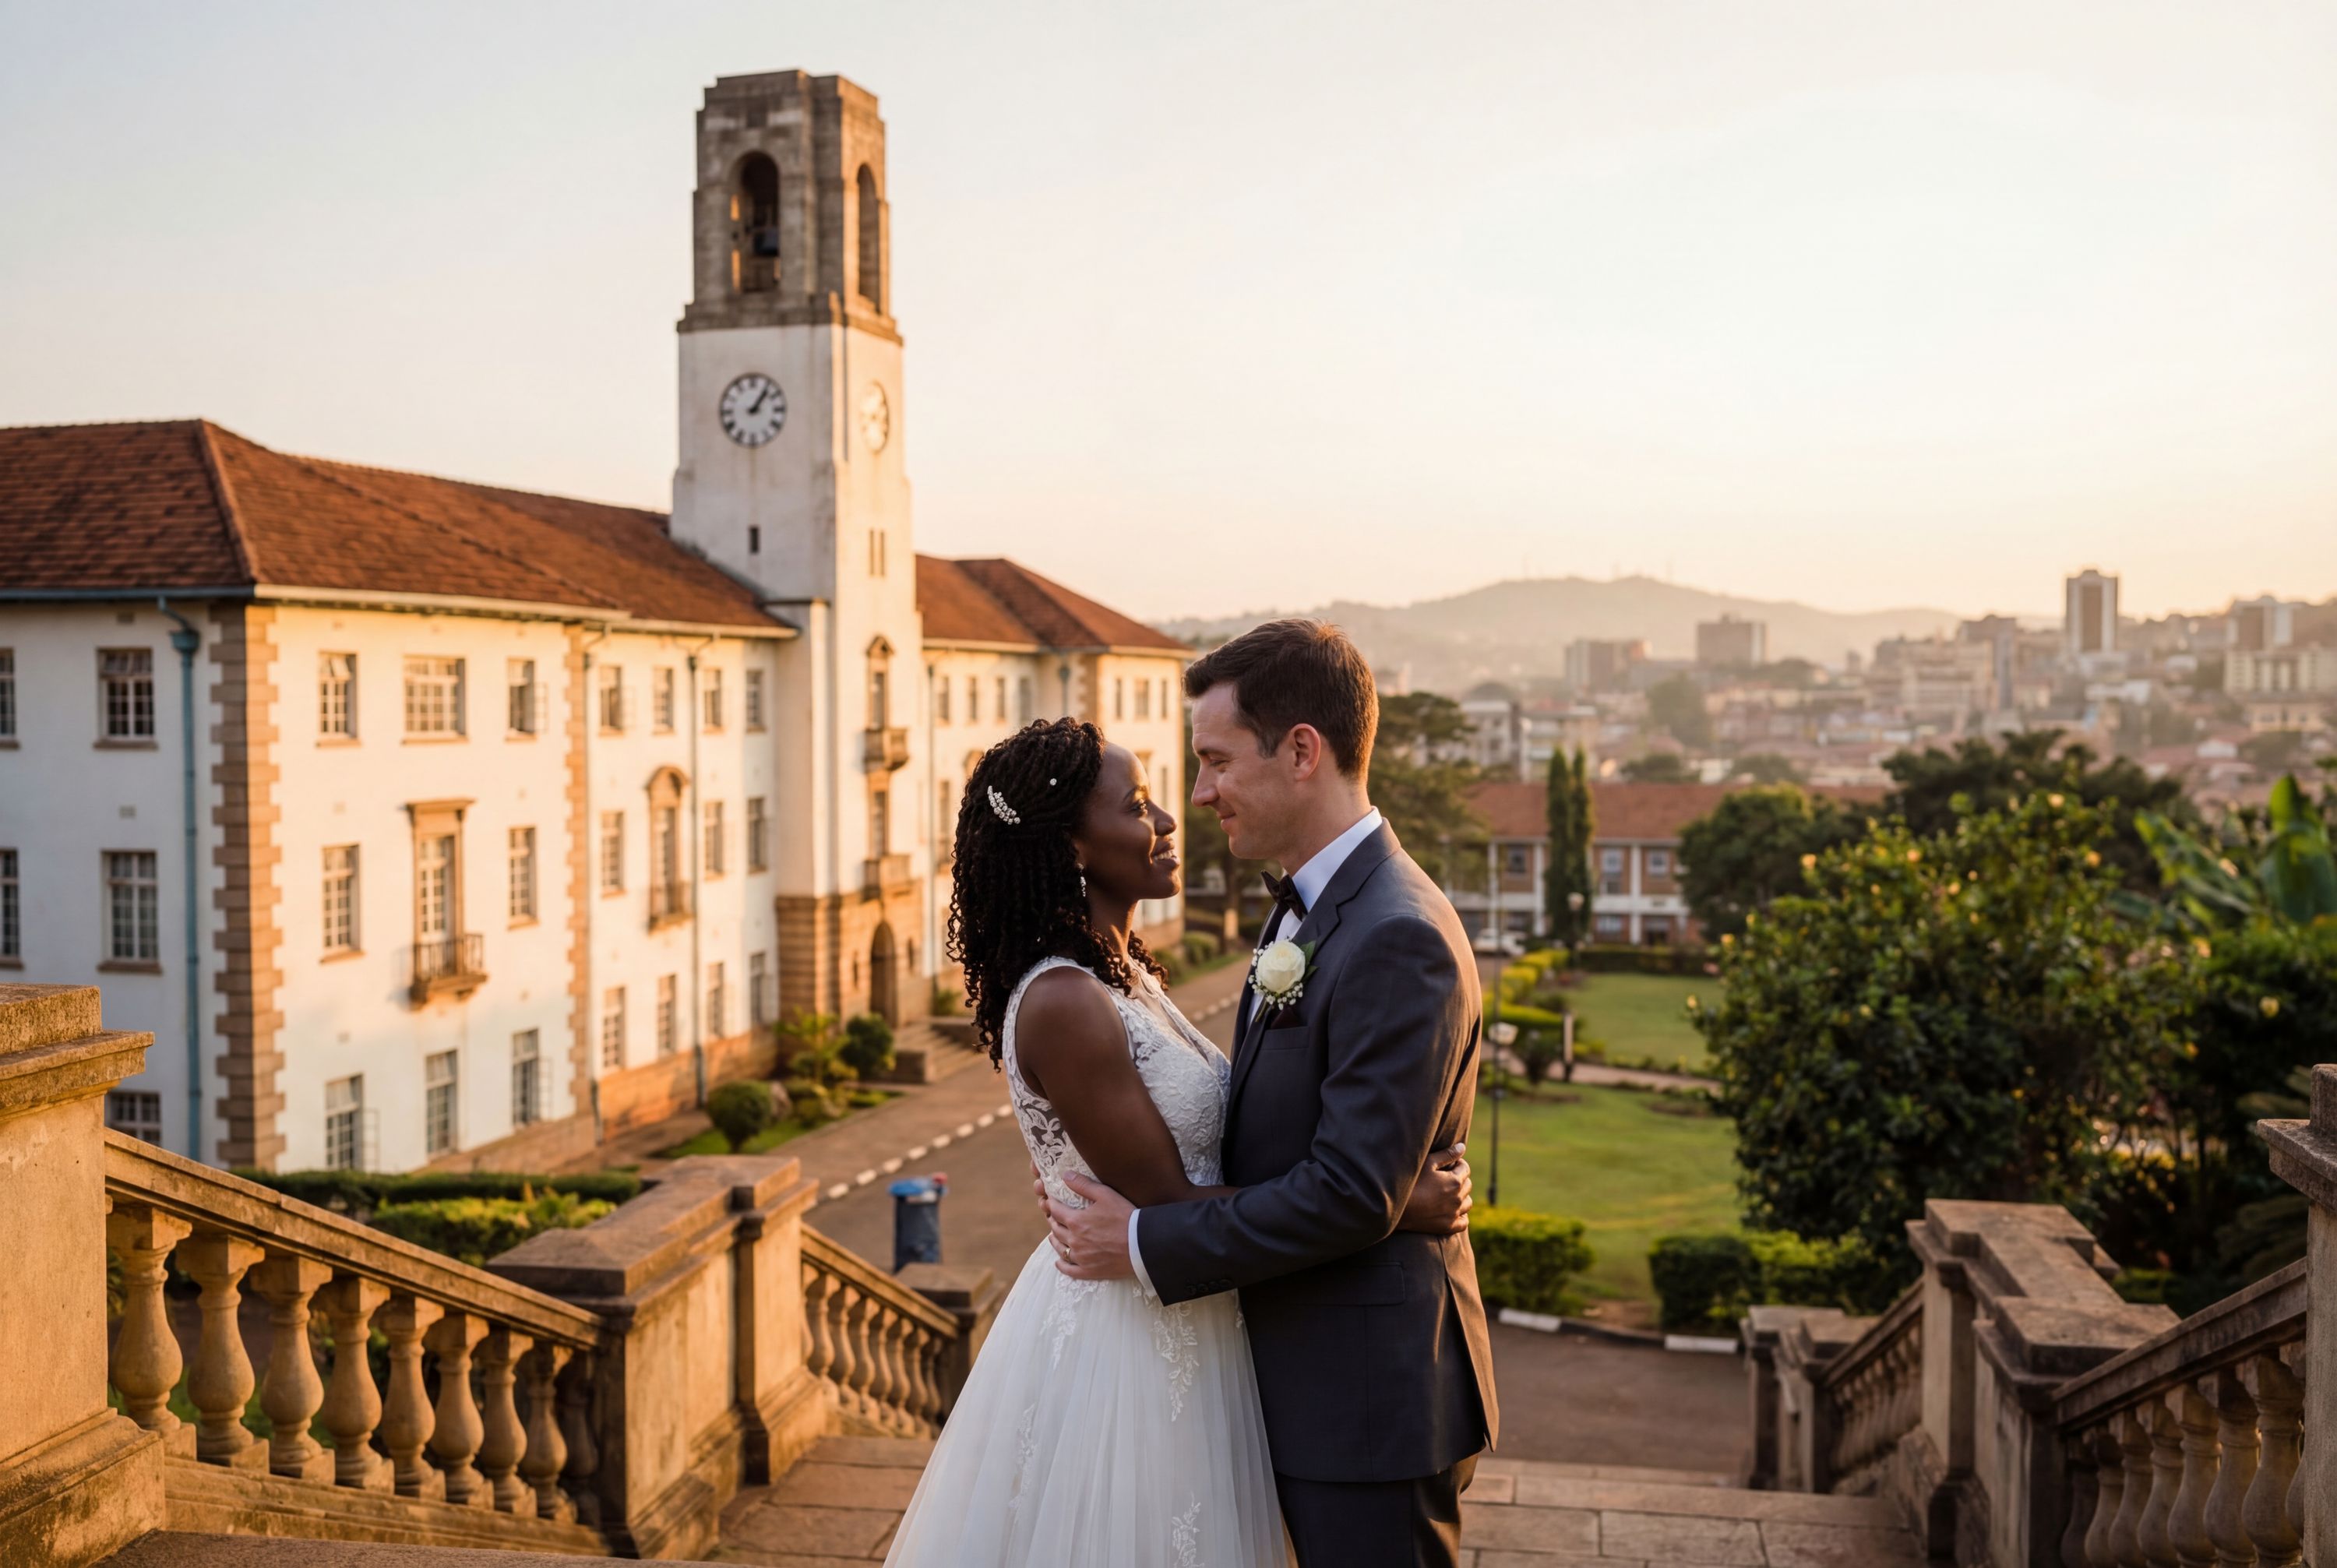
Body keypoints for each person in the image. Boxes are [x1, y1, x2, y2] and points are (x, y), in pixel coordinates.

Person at [883, 713, 1472, 1568]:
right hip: (1129, 1330)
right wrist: (1394, 1204)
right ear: (1074, 848)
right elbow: (1165, 1205)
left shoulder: (1124, 974)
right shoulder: (1066, 1004)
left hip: (1195, 1307)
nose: (1168, 821)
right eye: (1140, 807)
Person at [1043, 619, 1498, 1567]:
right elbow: (1328, 1168)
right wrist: (1400, 1202)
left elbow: (1345, 1194)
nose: (1198, 793)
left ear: (1301, 751)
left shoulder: (1393, 934)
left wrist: (1135, 1240)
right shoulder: (1313, 908)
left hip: (1366, 1404)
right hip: (1300, 1381)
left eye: (1214, 760)